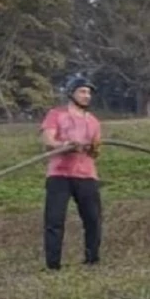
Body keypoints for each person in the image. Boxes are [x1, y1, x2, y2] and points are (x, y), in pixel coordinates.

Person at [40, 73, 103, 271]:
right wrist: (66, 145)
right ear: (71, 93)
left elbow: (96, 152)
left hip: (86, 175)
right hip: (59, 174)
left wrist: (92, 148)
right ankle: (53, 265)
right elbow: (48, 142)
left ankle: (92, 260)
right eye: (82, 92)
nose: (87, 96)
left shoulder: (93, 121)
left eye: (89, 93)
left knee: (93, 219)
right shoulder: (56, 114)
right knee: (54, 220)